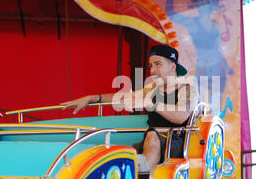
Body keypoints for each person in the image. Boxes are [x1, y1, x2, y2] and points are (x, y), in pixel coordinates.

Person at [60, 44, 199, 170]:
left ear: (173, 67)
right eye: (150, 66)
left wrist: (151, 103)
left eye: (158, 64)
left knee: (151, 136)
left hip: (177, 145)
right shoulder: (152, 89)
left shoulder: (187, 88)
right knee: (124, 152)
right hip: (152, 143)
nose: (153, 71)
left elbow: (181, 116)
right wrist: (93, 98)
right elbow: (124, 97)